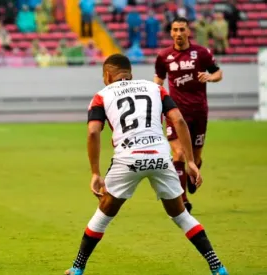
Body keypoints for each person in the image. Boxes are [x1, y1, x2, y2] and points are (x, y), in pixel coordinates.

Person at [64, 54, 228, 275]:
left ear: (107, 75)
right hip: (160, 156)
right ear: (130, 73)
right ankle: (217, 267)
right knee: (180, 215)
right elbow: (178, 120)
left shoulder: (101, 96)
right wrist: (190, 161)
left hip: (127, 159)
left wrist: (95, 172)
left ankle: (77, 268)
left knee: (103, 214)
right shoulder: (155, 89)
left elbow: (93, 131)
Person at [154, 17, 223, 212]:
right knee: (180, 153)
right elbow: (159, 77)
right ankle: (182, 199)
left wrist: (210, 77)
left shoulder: (201, 53)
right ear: (171, 32)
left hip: (199, 112)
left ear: (188, 32)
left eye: (182, 29)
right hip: (175, 112)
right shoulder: (164, 56)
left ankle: (193, 174)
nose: (178, 33)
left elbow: (218, 73)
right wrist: (154, 92)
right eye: (175, 30)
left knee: (196, 156)